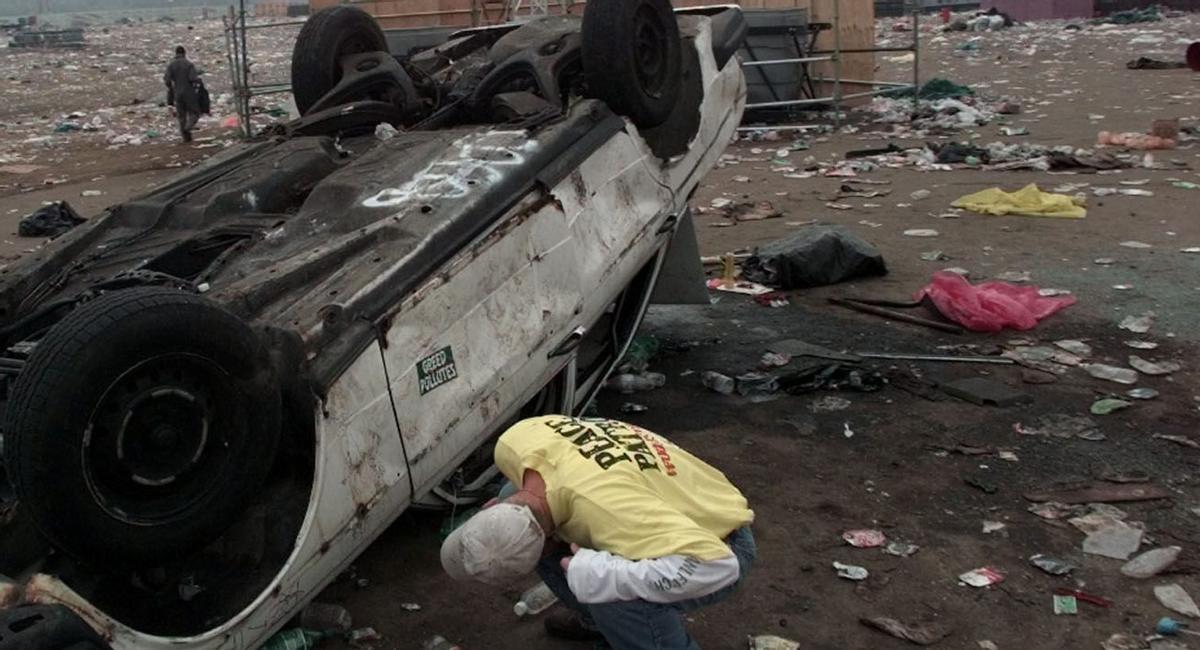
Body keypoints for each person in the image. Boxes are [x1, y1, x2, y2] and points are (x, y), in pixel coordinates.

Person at [441, 416, 755, 649]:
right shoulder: (513, 444)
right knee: (515, 488)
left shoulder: (610, 512)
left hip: (720, 536)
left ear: (489, 506)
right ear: (491, 507)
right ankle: (601, 626)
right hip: (656, 490)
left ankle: (625, 626)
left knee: (614, 598)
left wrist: (610, 576)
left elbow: (719, 565)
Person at [163, 46, 201, 143]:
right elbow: (193, 78)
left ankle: (186, 138)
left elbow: (167, 80)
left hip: (177, 93)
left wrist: (171, 89)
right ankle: (188, 128)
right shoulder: (188, 64)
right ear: (184, 53)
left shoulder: (171, 65)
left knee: (181, 116)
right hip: (189, 92)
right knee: (195, 113)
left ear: (175, 53)